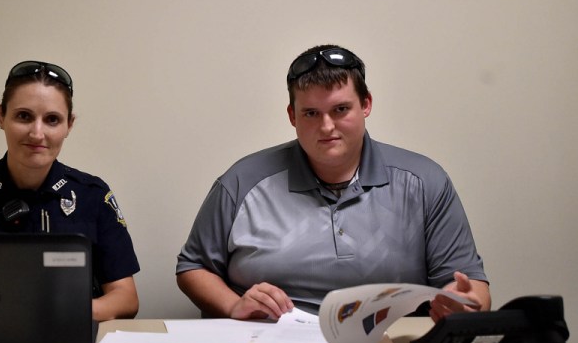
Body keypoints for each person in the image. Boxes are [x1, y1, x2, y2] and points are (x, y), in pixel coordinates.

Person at [176, 44, 490, 322]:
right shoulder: (242, 181)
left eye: (341, 109)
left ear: (366, 104)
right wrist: (234, 306)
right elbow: (193, 266)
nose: (326, 127)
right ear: (292, 116)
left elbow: (471, 285)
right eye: (311, 113)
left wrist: (464, 306)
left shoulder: (425, 182)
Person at [0, 60, 140, 321]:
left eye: (52, 120)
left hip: (64, 338)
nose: (37, 133)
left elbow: (126, 298)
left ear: (69, 125)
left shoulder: (93, 195)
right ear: (1, 116)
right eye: (24, 116)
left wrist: (70, 312)